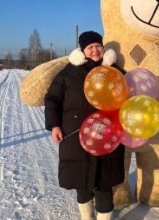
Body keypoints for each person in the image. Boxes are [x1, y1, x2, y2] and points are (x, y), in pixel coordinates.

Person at [44, 31, 125, 220]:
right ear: (83, 51)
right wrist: (54, 125)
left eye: (98, 46)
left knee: (104, 182)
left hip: (107, 134)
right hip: (75, 136)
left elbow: (128, 94)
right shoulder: (68, 73)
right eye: (90, 47)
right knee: (81, 180)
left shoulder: (114, 71)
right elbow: (52, 99)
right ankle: (86, 217)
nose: (95, 50)